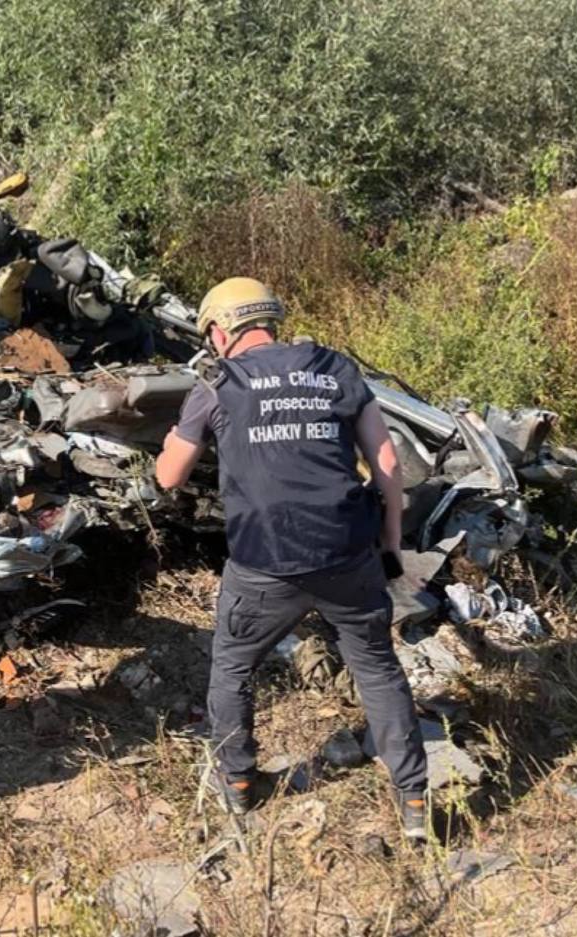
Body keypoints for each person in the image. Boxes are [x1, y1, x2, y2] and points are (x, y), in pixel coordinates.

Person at [154, 277, 430, 841]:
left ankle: (237, 786)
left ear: (218, 329)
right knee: (376, 668)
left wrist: (172, 438)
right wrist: (392, 544)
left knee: (232, 666)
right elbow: (387, 464)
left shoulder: (217, 382)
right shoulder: (333, 368)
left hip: (264, 564)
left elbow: (168, 476)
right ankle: (415, 804)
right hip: (347, 554)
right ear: (269, 319)